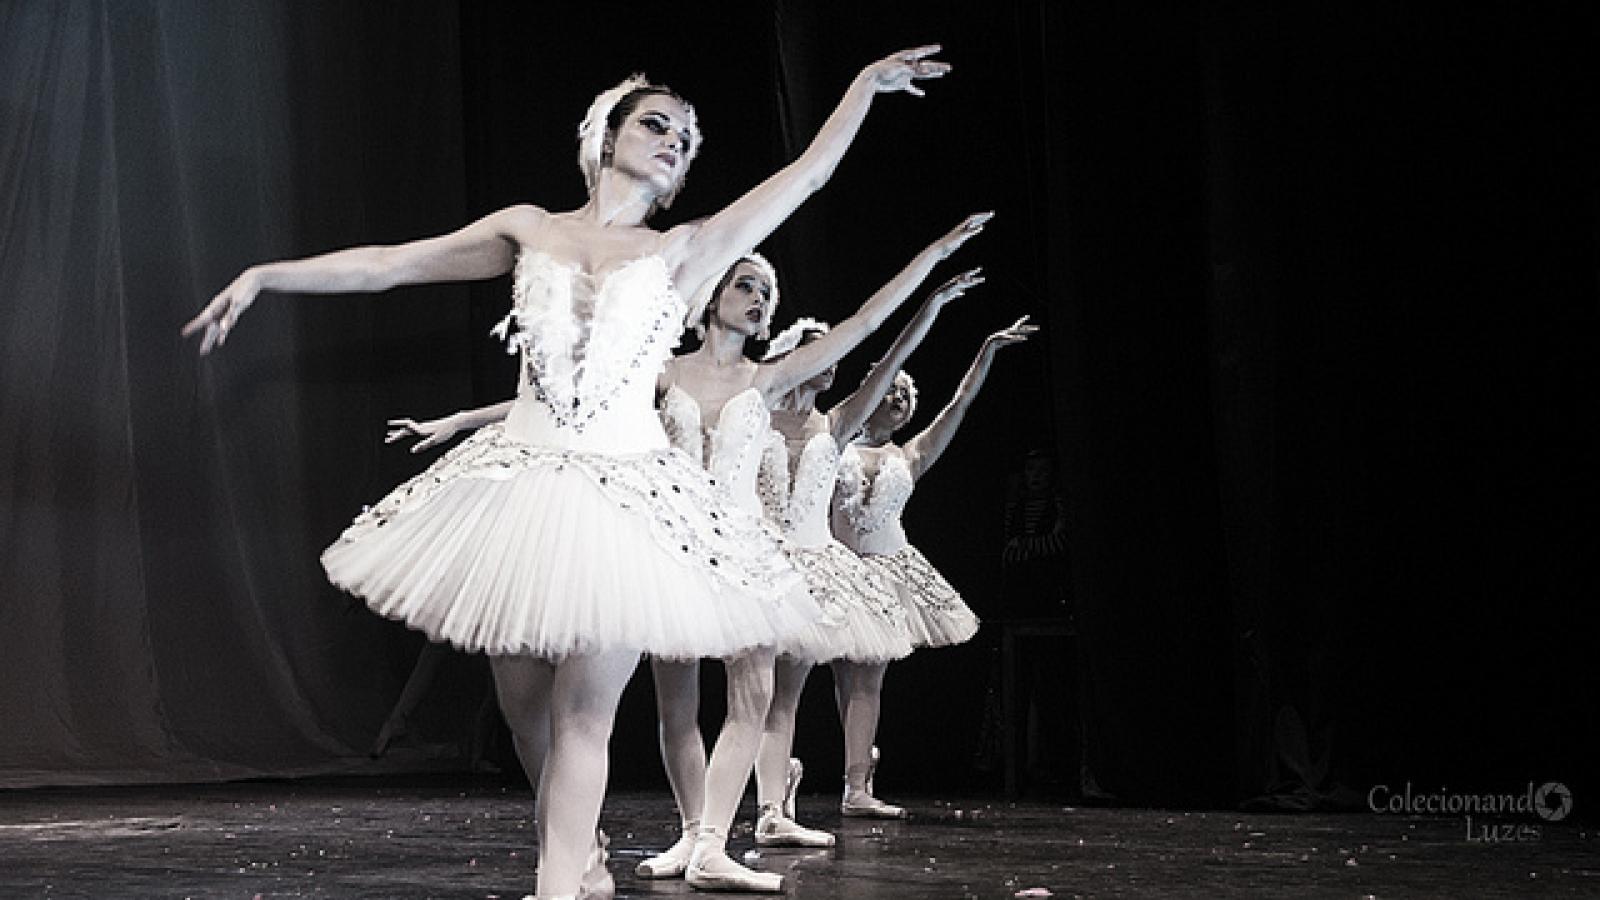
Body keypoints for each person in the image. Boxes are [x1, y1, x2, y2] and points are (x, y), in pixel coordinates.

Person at [181, 46, 951, 900]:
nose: (671, 142)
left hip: (626, 495)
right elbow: (390, 263)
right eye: (655, 124)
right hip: (524, 484)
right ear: (606, 136)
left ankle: (556, 887)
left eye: (685, 140)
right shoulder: (529, 229)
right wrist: (264, 276)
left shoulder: (687, 251)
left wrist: (859, 91)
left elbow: (805, 177)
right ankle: (579, 855)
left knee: (587, 710)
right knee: (525, 713)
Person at [399, 216, 988, 891]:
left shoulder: (767, 379)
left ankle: (714, 842)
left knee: (753, 693)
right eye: (745, 283)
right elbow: (562, 400)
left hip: (744, 546)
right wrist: (460, 420)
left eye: (766, 292)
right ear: (713, 298)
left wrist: (931, 286)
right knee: (674, 704)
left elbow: (867, 339)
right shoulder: (662, 371)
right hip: (673, 538)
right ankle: (686, 835)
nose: (758, 297)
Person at [754, 259, 981, 837]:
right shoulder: (751, 415)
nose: (831, 359)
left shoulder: (836, 425)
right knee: (770, 689)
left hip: (822, 566)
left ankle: (812, 794)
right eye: (818, 350)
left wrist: (929, 308)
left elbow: (891, 363)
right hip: (766, 564)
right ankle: (769, 803)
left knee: (807, 681)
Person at [830, 316, 1037, 816]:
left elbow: (959, 404)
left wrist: (986, 349)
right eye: (892, 389)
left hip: (886, 567)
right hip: (838, 566)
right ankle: (856, 764)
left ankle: (857, 788)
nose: (900, 399)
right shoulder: (832, 441)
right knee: (842, 676)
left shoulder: (912, 453)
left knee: (868, 677)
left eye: (907, 395)